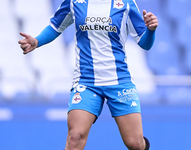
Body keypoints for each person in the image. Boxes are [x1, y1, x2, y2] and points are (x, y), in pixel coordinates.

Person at [18, 0, 158, 149]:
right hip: (86, 81)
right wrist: (37, 41)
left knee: (135, 144)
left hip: (119, 80)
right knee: (75, 137)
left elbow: (145, 43)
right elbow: (55, 26)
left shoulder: (126, 3)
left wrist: (151, 30)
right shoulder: (74, 2)